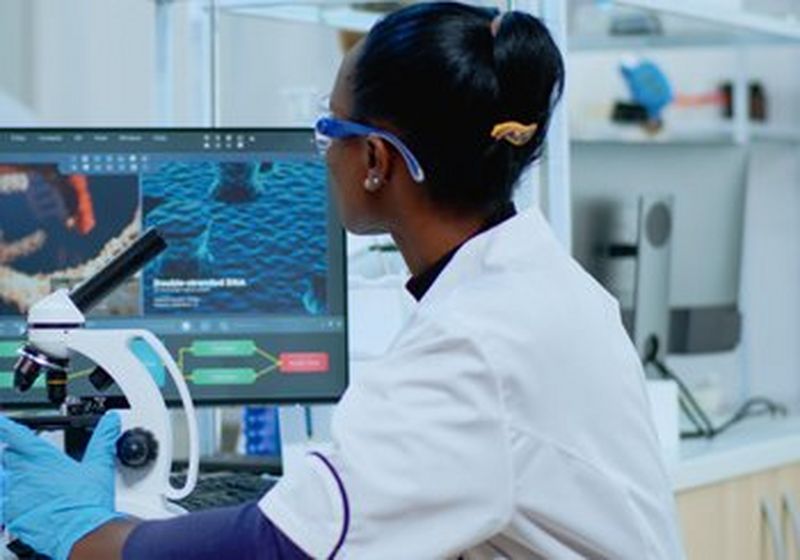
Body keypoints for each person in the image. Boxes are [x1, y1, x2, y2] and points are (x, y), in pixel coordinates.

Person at [0, 3, 685, 559]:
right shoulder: (536, 287)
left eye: (329, 129)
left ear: (376, 160)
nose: (323, 154)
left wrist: (83, 534)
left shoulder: (472, 346)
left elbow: (280, 548)